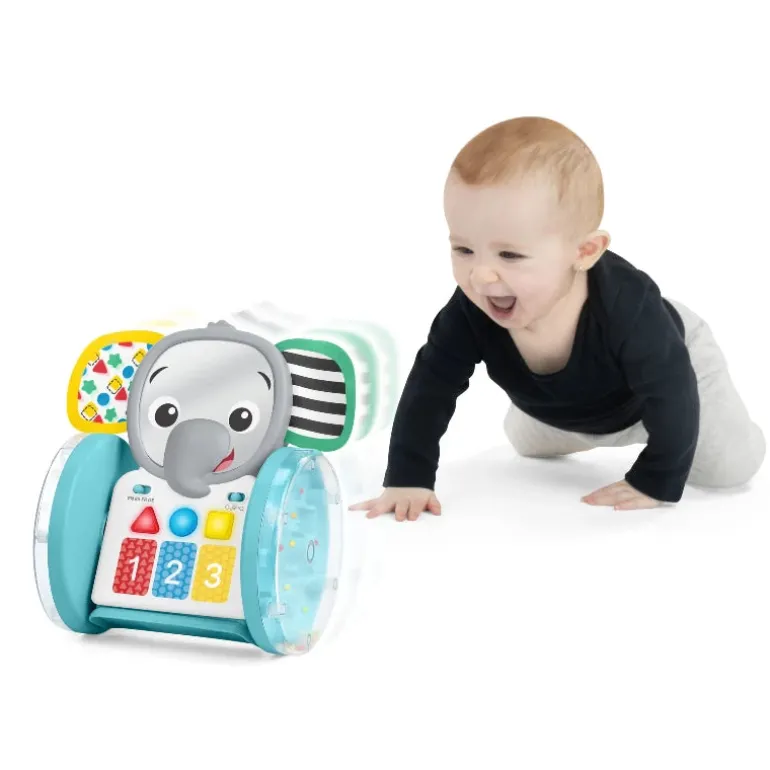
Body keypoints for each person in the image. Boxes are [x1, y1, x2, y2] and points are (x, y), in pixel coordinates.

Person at [350, 116, 765, 521]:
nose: (481, 275)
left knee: (728, 467)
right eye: (464, 250)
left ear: (584, 252)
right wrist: (408, 476)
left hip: (673, 374)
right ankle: (573, 415)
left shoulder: (629, 309)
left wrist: (654, 478)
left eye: (510, 254)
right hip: (571, 405)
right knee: (526, 444)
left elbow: (672, 389)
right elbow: (431, 386)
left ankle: (678, 430)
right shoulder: (472, 308)